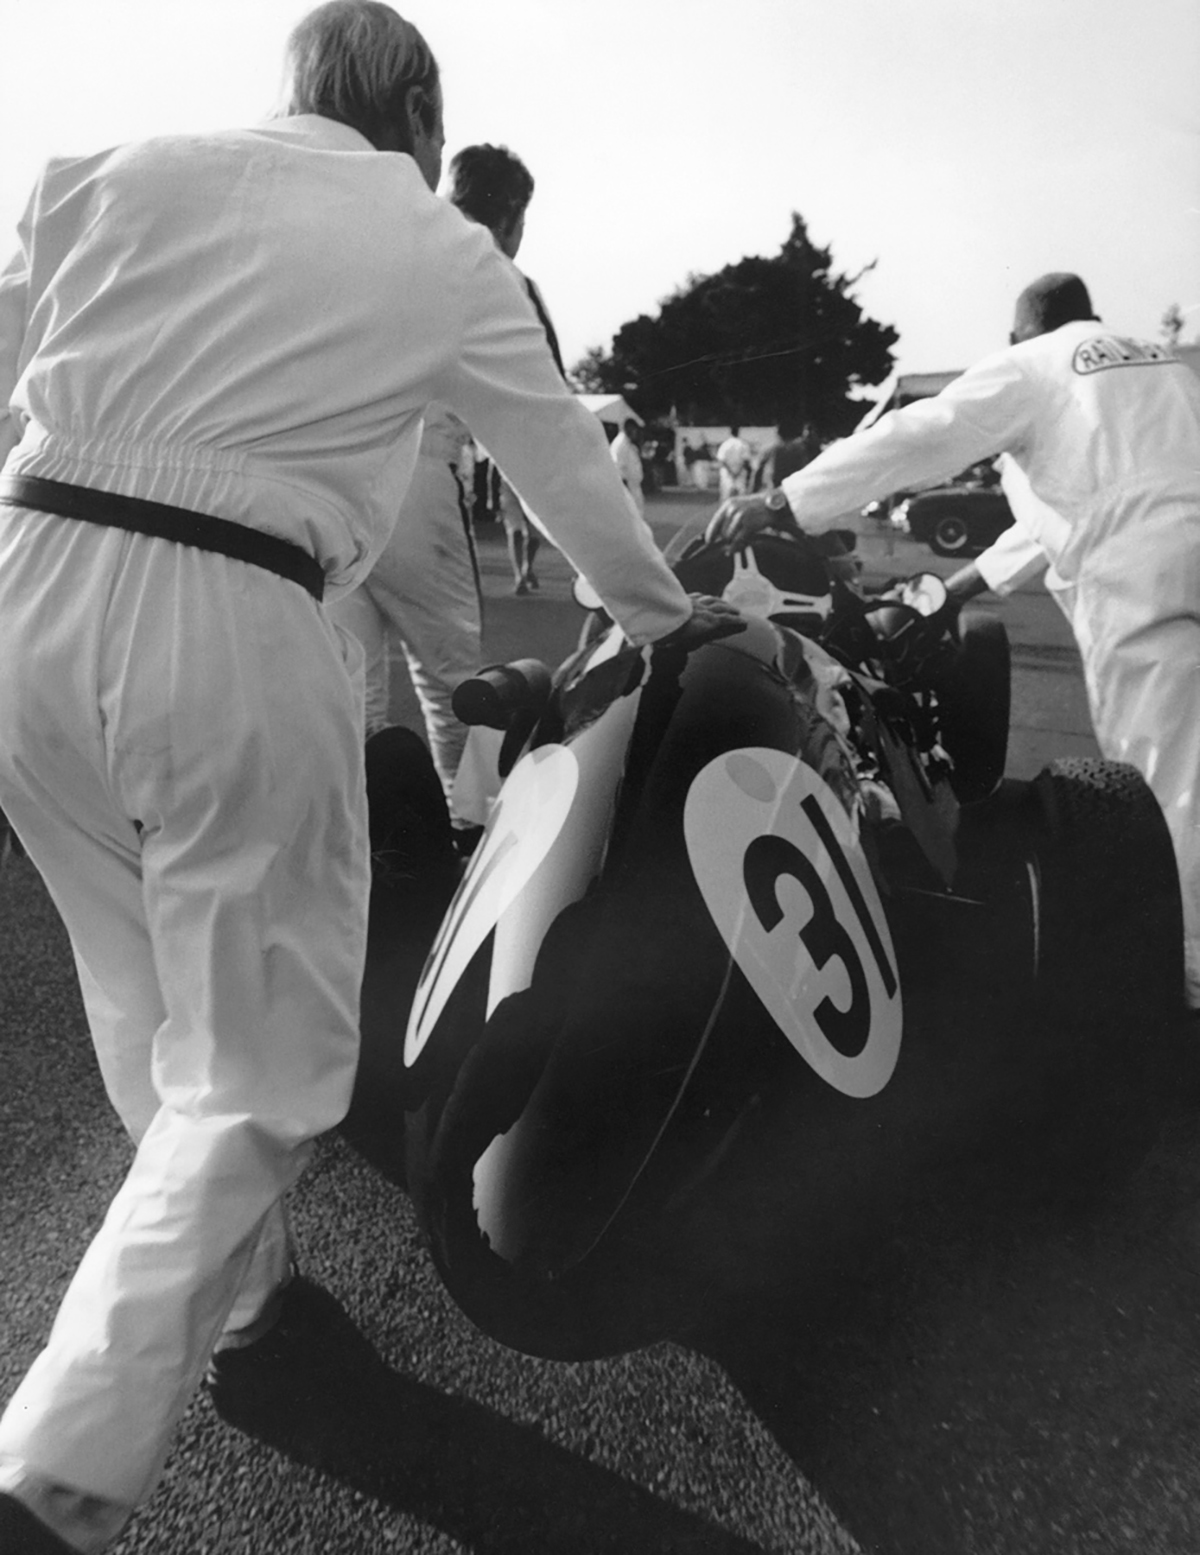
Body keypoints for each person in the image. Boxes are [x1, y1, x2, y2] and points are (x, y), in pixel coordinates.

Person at [0, 5, 738, 1550]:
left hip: (22, 584)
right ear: (413, 106)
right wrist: (667, 621)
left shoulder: (104, 168)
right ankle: (56, 1462)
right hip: (221, 611)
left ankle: (252, 1302)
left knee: (135, 988)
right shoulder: (435, 238)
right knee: (264, 1075)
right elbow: (565, 470)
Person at [709, 271, 1200, 1010]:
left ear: (1016, 333)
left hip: (1141, 571)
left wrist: (787, 498)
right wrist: (958, 589)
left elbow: (927, 431)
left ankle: (1183, 970)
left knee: (1169, 772)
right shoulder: (1161, 361)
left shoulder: (1034, 362)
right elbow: (1066, 505)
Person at [329, 143, 544, 797]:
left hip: (334, 480)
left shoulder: (379, 245)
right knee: (456, 683)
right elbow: (539, 425)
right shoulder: (491, 269)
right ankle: (466, 823)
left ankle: (360, 847)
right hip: (419, 478)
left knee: (349, 690)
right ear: (511, 215)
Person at [610, 417, 645, 517]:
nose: (636, 433)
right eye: (634, 430)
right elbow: (617, 468)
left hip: (634, 486)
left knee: (637, 515)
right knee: (631, 516)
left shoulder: (629, 444)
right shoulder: (621, 444)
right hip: (628, 487)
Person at [716, 423, 753, 500]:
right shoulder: (743, 444)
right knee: (741, 496)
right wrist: (738, 472)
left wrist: (731, 472)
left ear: (730, 432)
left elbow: (722, 460)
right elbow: (746, 461)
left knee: (726, 495)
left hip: (727, 472)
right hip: (740, 471)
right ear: (738, 432)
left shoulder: (725, 444)